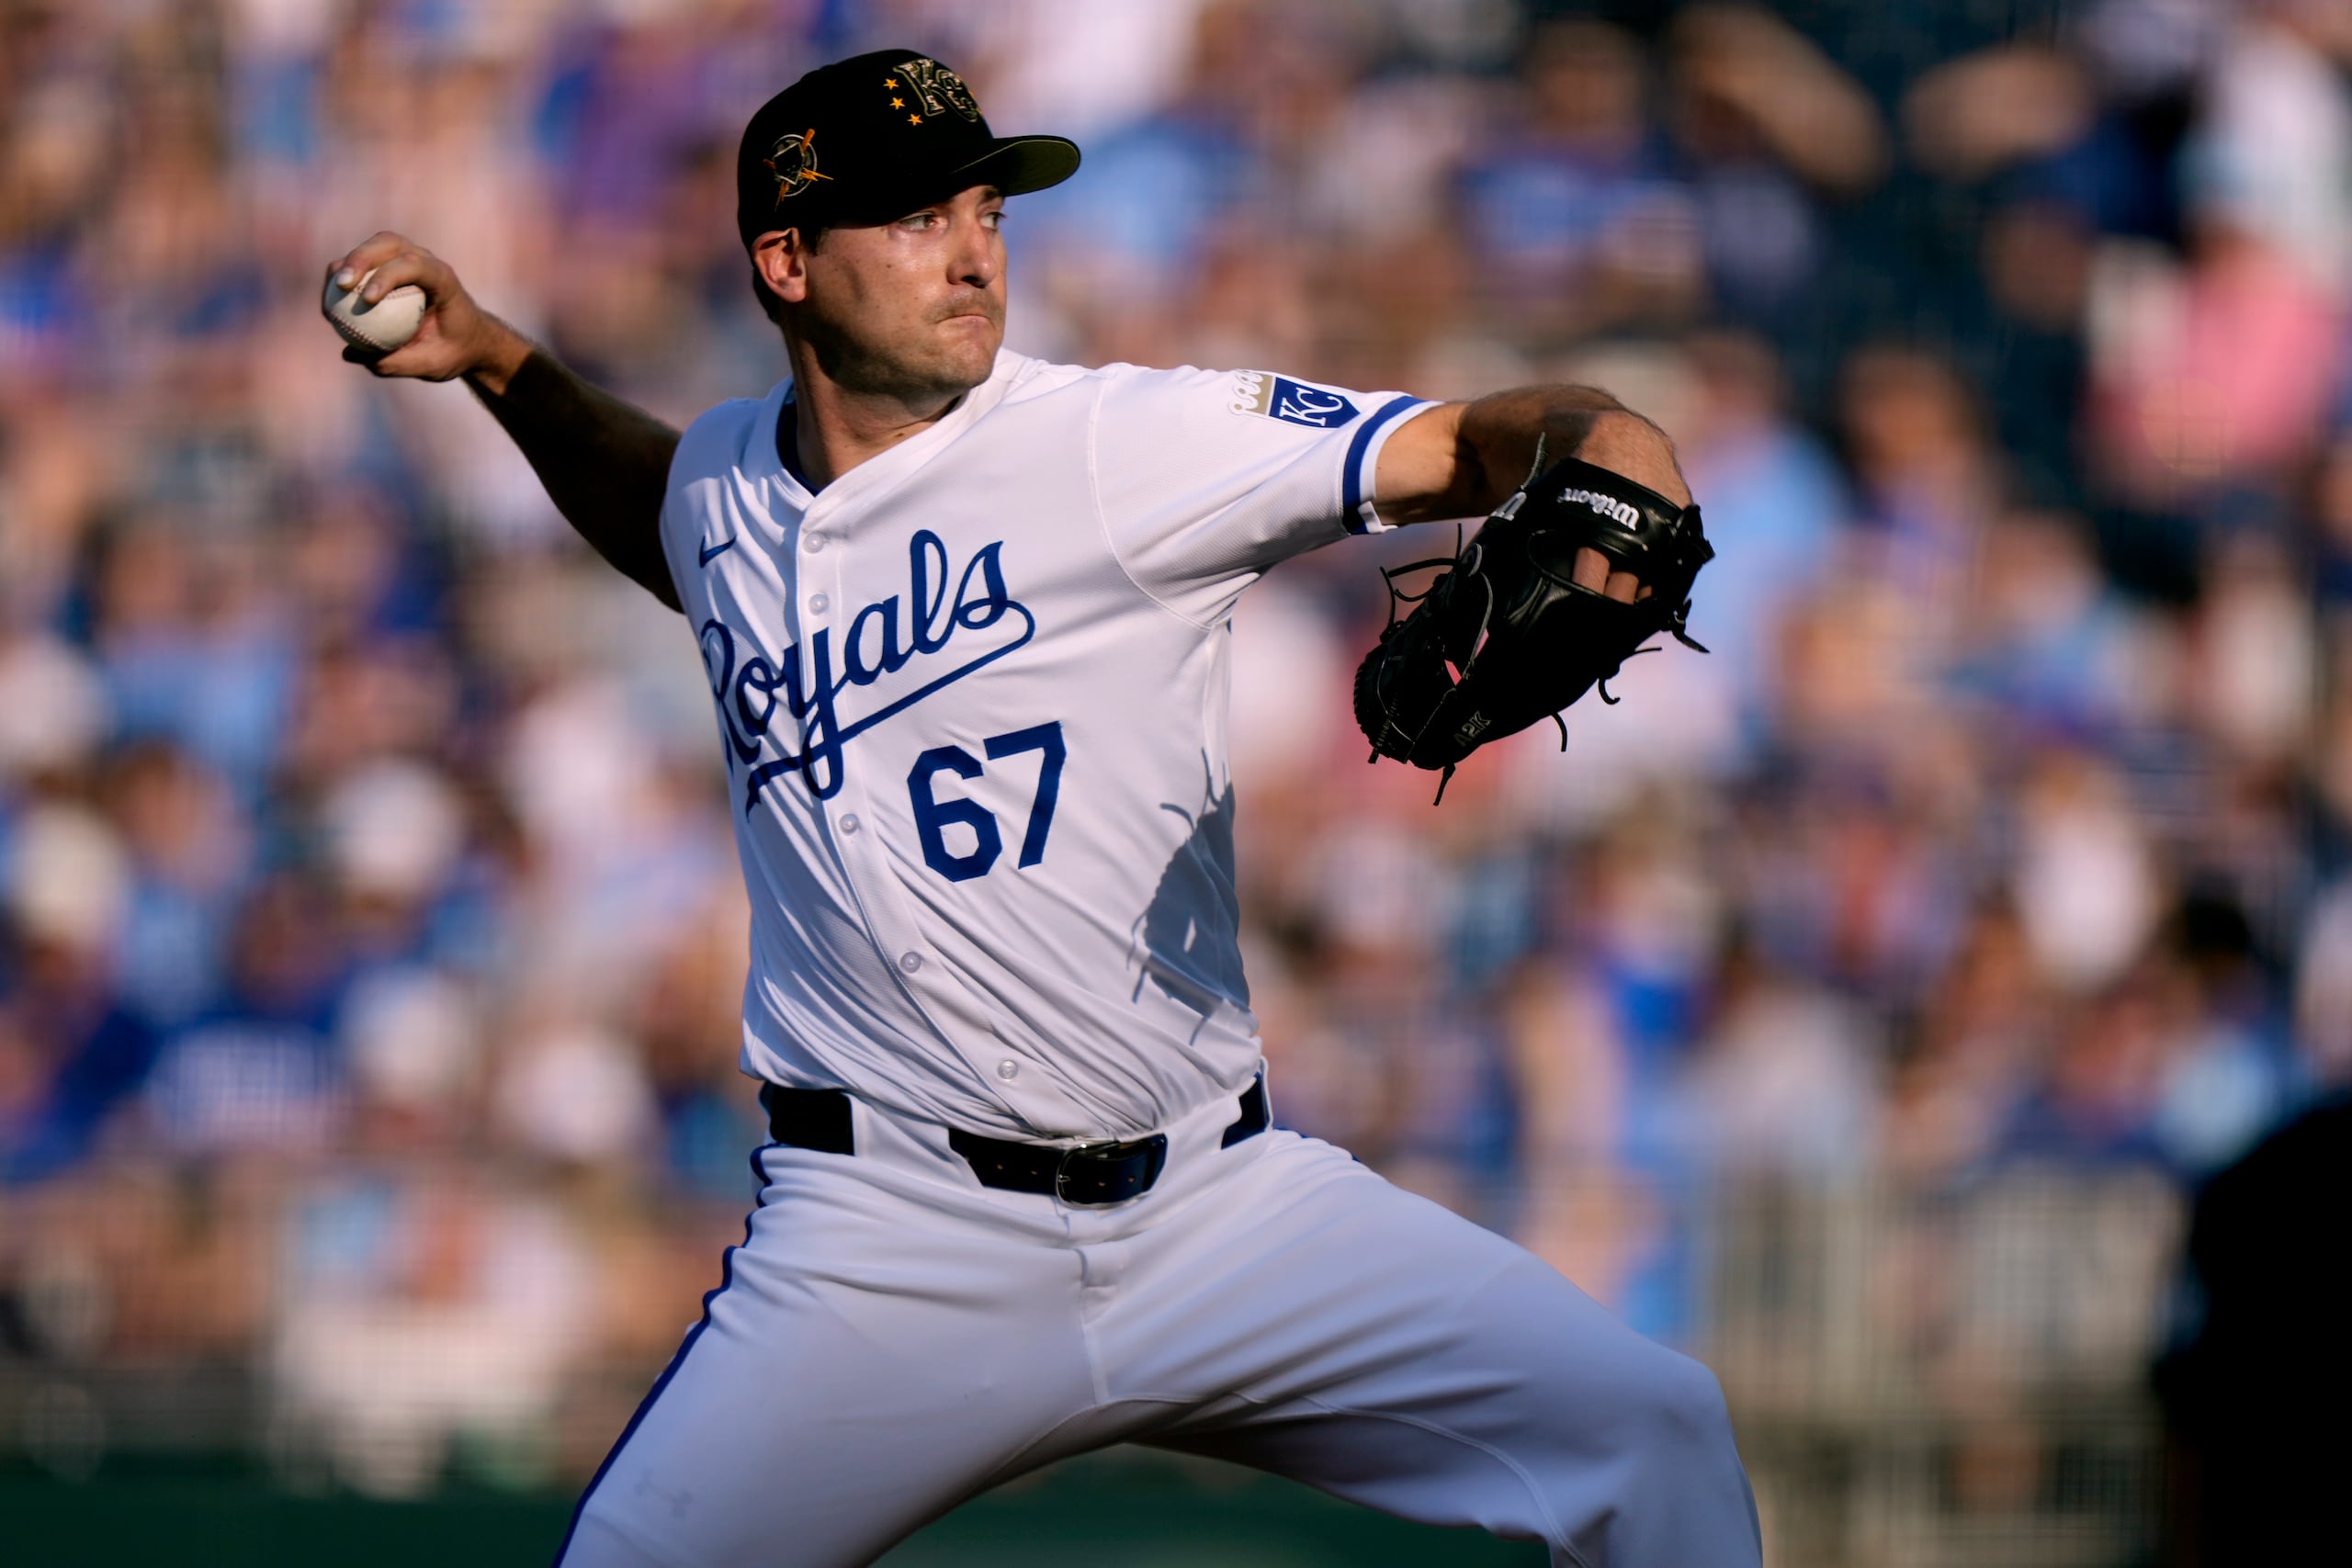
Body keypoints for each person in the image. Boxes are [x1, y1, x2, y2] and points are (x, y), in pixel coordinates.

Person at [327, 48, 1758, 1568]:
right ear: (787, 262)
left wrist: (1611, 438)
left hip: (1218, 1213)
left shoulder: (1122, 443)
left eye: (987, 211)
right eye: (918, 219)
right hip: (885, 1245)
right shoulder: (727, 488)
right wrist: (499, 363)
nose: (974, 253)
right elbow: (663, 510)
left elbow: (1472, 441)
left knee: (1654, 1431)